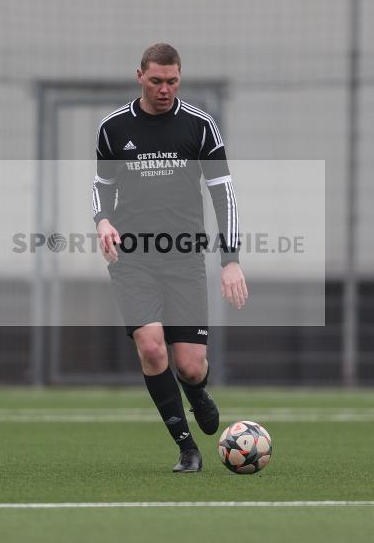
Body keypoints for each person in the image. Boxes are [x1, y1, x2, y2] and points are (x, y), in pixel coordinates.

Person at [91, 43, 248, 472]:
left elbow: (224, 195)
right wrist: (103, 220)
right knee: (152, 347)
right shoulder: (112, 127)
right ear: (139, 75)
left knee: (190, 365)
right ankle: (187, 448)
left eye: (173, 81)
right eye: (157, 80)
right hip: (133, 259)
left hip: (183, 259)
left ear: (180, 78)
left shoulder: (200, 127)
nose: (165, 89)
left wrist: (230, 259)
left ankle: (197, 392)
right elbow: (102, 185)